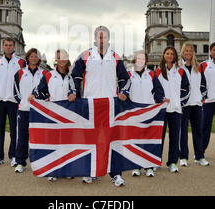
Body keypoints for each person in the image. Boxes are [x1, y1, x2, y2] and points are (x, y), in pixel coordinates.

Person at [70, 25, 131, 187]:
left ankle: (115, 174)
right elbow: (74, 76)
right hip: (90, 104)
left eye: (104, 37)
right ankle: (90, 172)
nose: (102, 40)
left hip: (111, 104)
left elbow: (125, 79)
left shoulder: (115, 57)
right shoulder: (85, 55)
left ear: (108, 39)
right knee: (90, 138)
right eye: (99, 37)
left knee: (112, 140)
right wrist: (73, 92)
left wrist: (124, 91)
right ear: (95, 39)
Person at [30, 48, 73, 181]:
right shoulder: (49, 75)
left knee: (67, 142)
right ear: (56, 59)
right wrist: (34, 95)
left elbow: (78, 91)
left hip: (69, 113)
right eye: (59, 57)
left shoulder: (72, 75)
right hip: (53, 113)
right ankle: (53, 170)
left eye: (64, 57)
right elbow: (41, 90)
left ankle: (67, 169)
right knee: (54, 143)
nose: (61, 60)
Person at [128, 50, 167, 177]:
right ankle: (135, 166)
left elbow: (158, 90)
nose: (140, 60)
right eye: (138, 58)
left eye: (143, 58)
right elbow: (123, 91)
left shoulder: (151, 74)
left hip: (148, 110)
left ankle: (148, 166)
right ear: (135, 60)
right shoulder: (128, 74)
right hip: (133, 111)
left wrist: (158, 102)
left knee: (148, 139)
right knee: (135, 140)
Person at [0, 38, 26, 167]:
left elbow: (24, 82)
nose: (8, 47)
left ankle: (14, 156)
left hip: (14, 102)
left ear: (14, 47)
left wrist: (19, 97)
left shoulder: (21, 62)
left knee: (15, 131)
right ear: (3, 47)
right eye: (6, 45)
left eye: (11, 45)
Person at [155, 46, 189, 173]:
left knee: (175, 138)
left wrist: (179, 101)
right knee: (159, 138)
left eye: (172, 54)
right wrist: (159, 100)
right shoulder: (157, 72)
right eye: (167, 53)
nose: (169, 56)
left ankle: (172, 162)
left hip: (175, 109)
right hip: (161, 109)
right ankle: (156, 161)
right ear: (164, 55)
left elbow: (186, 88)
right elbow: (153, 90)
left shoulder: (180, 71)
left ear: (175, 56)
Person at [13, 48, 47, 173]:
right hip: (24, 109)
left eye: (36, 56)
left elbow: (46, 91)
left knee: (40, 137)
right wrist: (22, 102)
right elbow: (15, 91)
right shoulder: (20, 73)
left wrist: (38, 99)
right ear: (27, 58)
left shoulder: (44, 73)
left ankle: (41, 163)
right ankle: (21, 162)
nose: (34, 58)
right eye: (31, 56)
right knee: (22, 137)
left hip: (39, 111)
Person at [179, 43, 209, 167]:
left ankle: (199, 156)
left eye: (190, 51)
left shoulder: (198, 67)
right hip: (184, 105)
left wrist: (202, 97)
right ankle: (183, 157)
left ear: (193, 52)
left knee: (198, 131)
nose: (188, 53)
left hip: (197, 104)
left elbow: (203, 85)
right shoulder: (178, 67)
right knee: (183, 132)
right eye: (186, 51)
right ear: (182, 52)